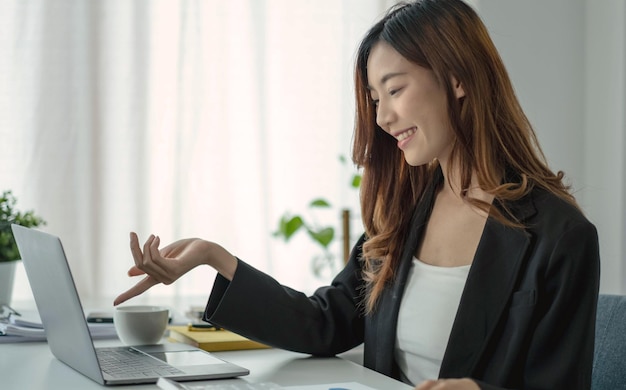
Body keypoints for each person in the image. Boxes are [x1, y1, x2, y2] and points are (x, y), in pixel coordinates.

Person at [114, 1, 600, 389]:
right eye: (374, 99)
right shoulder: (408, 211)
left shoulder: (559, 237)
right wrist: (213, 257)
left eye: (394, 90)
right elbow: (326, 323)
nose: (383, 118)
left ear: (457, 79)